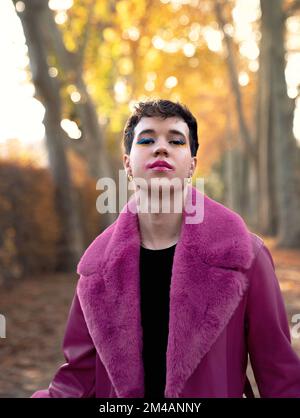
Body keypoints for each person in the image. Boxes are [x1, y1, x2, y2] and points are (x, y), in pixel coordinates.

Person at [31, 99, 300, 398]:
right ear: (127, 164)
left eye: (175, 140)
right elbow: (75, 384)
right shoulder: (96, 269)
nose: (161, 148)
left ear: (192, 165)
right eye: (147, 140)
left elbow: (280, 375)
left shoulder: (244, 256)